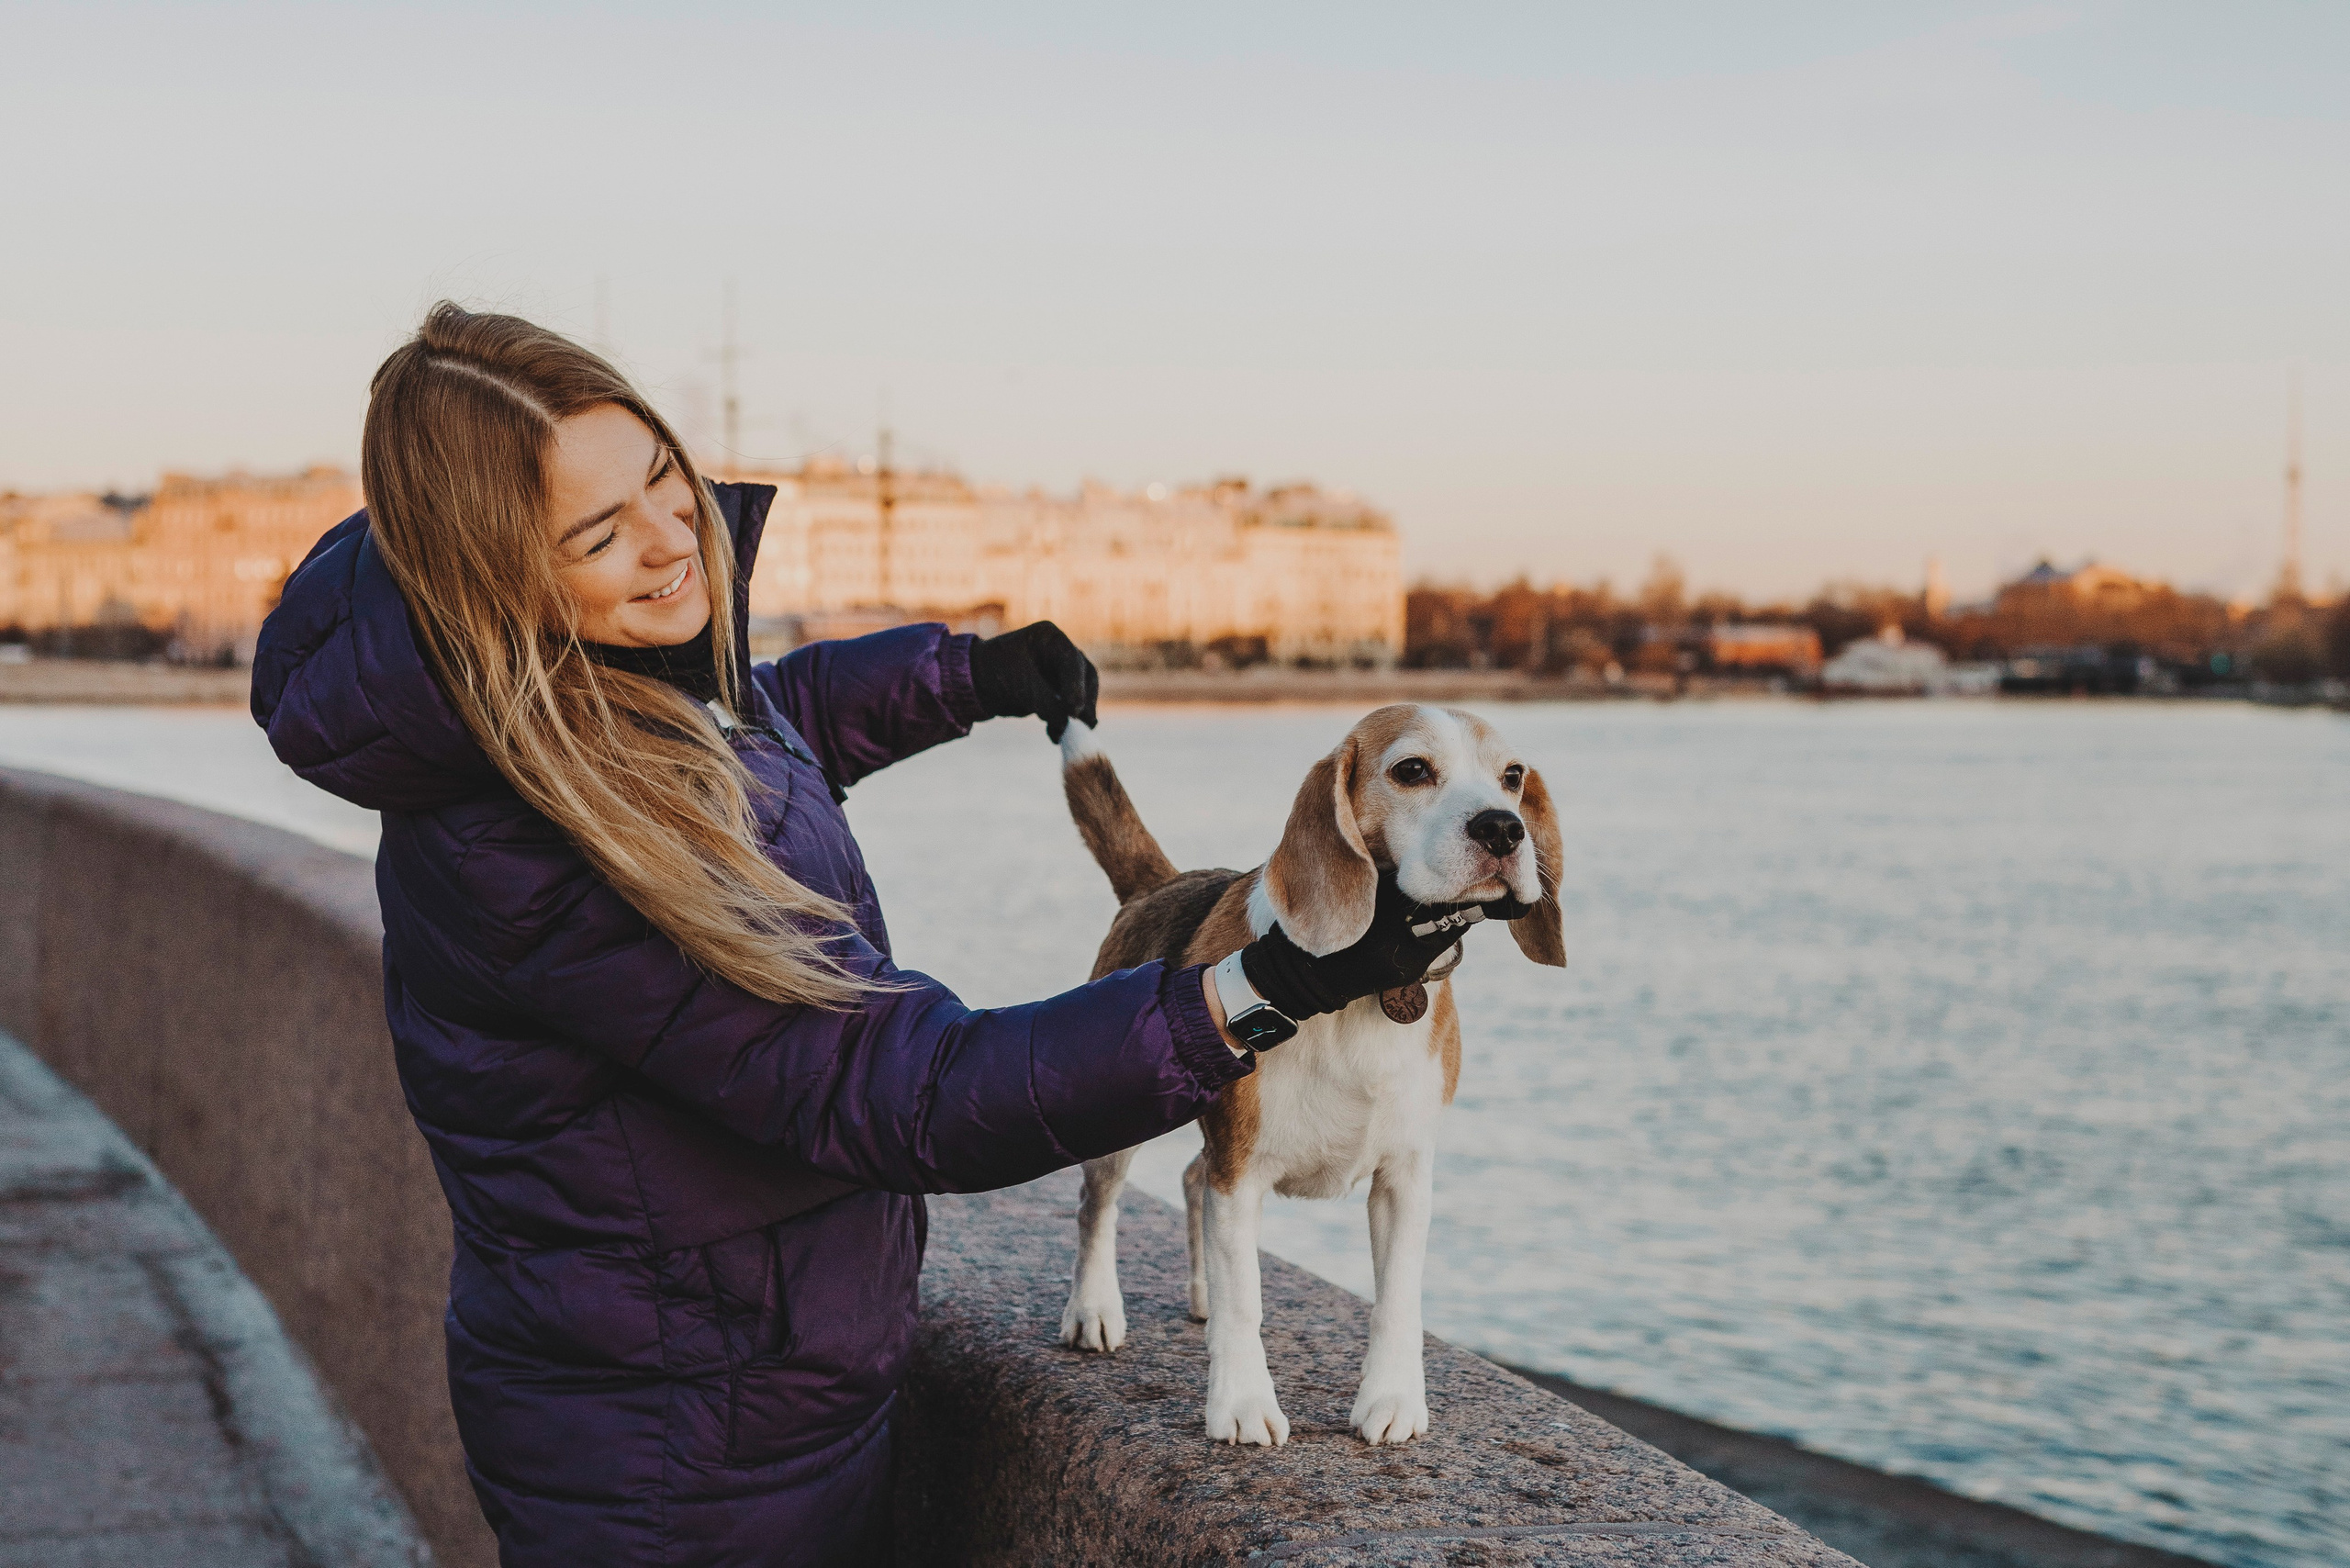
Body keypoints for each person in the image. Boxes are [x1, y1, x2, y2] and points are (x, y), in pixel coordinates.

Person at [251, 304, 1472, 1567]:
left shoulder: (591, 684)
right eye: (601, 534)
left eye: (667, 479)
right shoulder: (538, 846)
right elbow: (894, 1086)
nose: (674, 541)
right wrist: (1253, 988)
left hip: (729, 1380)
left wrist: (964, 678)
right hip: (678, 1455)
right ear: (489, 574)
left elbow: (758, 733)